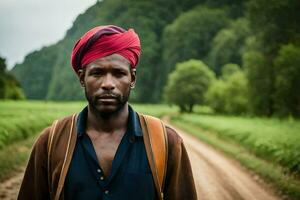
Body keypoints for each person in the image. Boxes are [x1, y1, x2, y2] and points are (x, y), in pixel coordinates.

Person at [18, 25, 197, 200]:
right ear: (82, 78)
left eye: (119, 73)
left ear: (132, 79)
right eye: (97, 73)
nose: (108, 83)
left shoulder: (166, 142)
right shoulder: (51, 142)